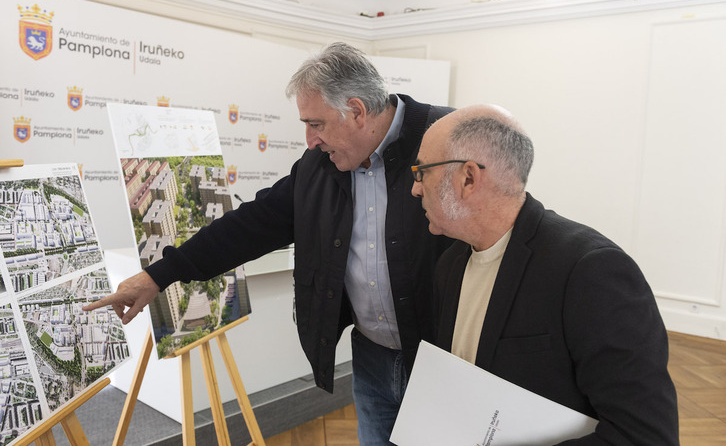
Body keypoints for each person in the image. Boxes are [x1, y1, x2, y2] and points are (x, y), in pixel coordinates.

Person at [84, 42, 453, 445]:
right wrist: (157, 276)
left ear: (357, 111)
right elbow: (250, 226)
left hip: (446, 362)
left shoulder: (447, 142)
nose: (310, 140)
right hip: (373, 359)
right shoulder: (318, 166)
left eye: (317, 124)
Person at [410, 105, 679, 444]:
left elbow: (644, 436)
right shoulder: (451, 263)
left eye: (422, 172)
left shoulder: (591, 270)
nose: (416, 188)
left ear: (468, 178)